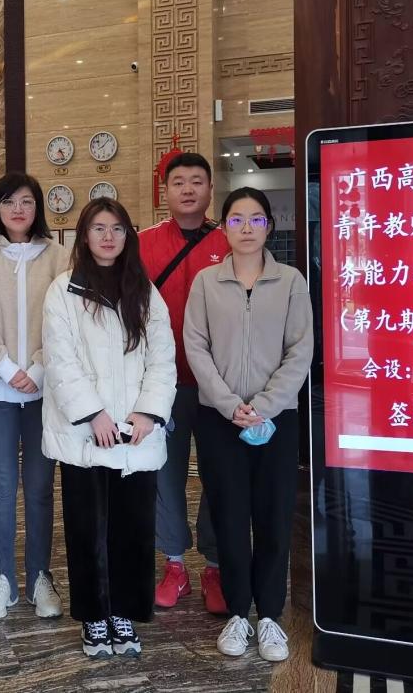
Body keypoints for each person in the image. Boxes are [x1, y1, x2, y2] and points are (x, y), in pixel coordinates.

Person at [42, 197, 176, 658]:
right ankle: (94, 616)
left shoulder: (145, 291)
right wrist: (93, 414)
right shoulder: (63, 291)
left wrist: (148, 413)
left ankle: (124, 611)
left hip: (136, 434)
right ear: (84, 235)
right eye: (98, 228)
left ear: (127, 236)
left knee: (133, 529)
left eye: (117, 228)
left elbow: (162, 359)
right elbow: (61, 361)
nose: (108, 237)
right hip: (85, 434)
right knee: (87, 529)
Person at [183, 186, 313, 663]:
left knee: (274, 517)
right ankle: (239, 612)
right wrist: (227, 403)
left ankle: (270, 616)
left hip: (277, 419)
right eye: (236, 219)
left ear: (269, 227)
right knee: (230, 516)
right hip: (219, 420)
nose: (246, 228)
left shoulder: (291, 281)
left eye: (256, 219)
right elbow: (195, 346)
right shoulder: (205, 282)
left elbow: (300, 349)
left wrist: (266, 404)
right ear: (223, 227)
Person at [0, 172, 68, 620]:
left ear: (38, 207)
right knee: (1, 487)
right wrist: (4, 367)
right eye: (8, 202)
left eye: (26, 201)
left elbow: (65, 318)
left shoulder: (59, 257)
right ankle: (1, 578)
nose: (18, 210)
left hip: (45, 389)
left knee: (40, 487)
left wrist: (38, 368)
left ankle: (41, 576)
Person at [139, 152, 229, 613]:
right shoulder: (144, 243)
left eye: (197, 180)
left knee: (219, 475)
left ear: (211, 189)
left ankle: (215, 566)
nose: (188, 189)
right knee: (165, 474)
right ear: (166, 192)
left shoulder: (231, 240)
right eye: (178, 182)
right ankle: (174, 565)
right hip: (164, 383)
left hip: (220, 386)